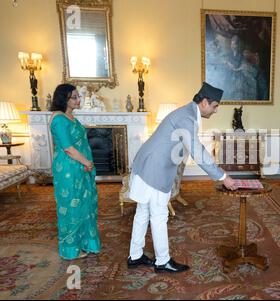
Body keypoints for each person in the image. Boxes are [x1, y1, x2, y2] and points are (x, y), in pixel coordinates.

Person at [127, 82, 237, 273]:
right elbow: (197, 151)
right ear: (204, 102)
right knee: (159, 215)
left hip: (146, 164)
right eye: (215, 106)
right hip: (154, 169)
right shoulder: (186, 118)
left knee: (143, 212)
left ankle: (135, 256)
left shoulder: (187, 113)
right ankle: (163, 261)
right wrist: (222, 176)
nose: (216, 110)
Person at [48, 84, 101, 260]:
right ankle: (70, 249)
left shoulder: (69, 116)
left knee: (85, 205)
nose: (79, 100)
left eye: (79, 96)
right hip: (69, 169)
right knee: (71, 206)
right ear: (64, 98)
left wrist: (86, 164)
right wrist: (87, 161)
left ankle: (86, 243)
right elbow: (68, 148)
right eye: (75, 97)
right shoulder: (58, 119)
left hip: (80, 167)